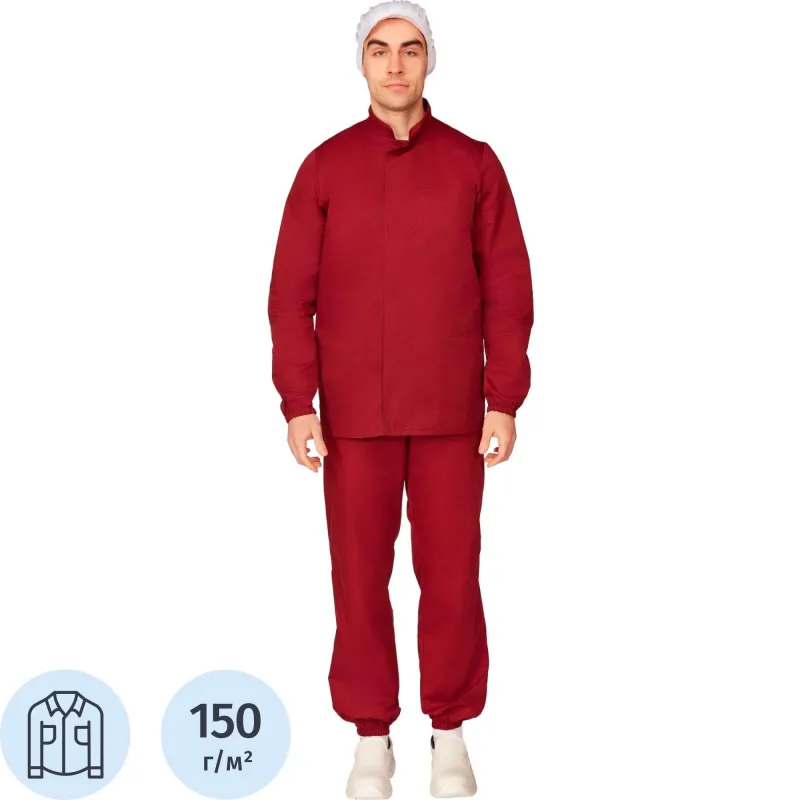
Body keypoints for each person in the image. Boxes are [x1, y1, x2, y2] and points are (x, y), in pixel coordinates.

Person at [268, 1, 534, 796]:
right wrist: (298, 400)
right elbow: (289, 296)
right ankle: (371, 738)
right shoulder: (324, 168)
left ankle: (449, 734)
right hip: (353, 417)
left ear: (429, 61)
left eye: (410, 49)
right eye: (379, 50)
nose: (394, 65)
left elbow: (508, 290)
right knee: (358, 579)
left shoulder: (474, 164)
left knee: (451, 577)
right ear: (361, 62)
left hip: (453, 413)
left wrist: (504, 397)